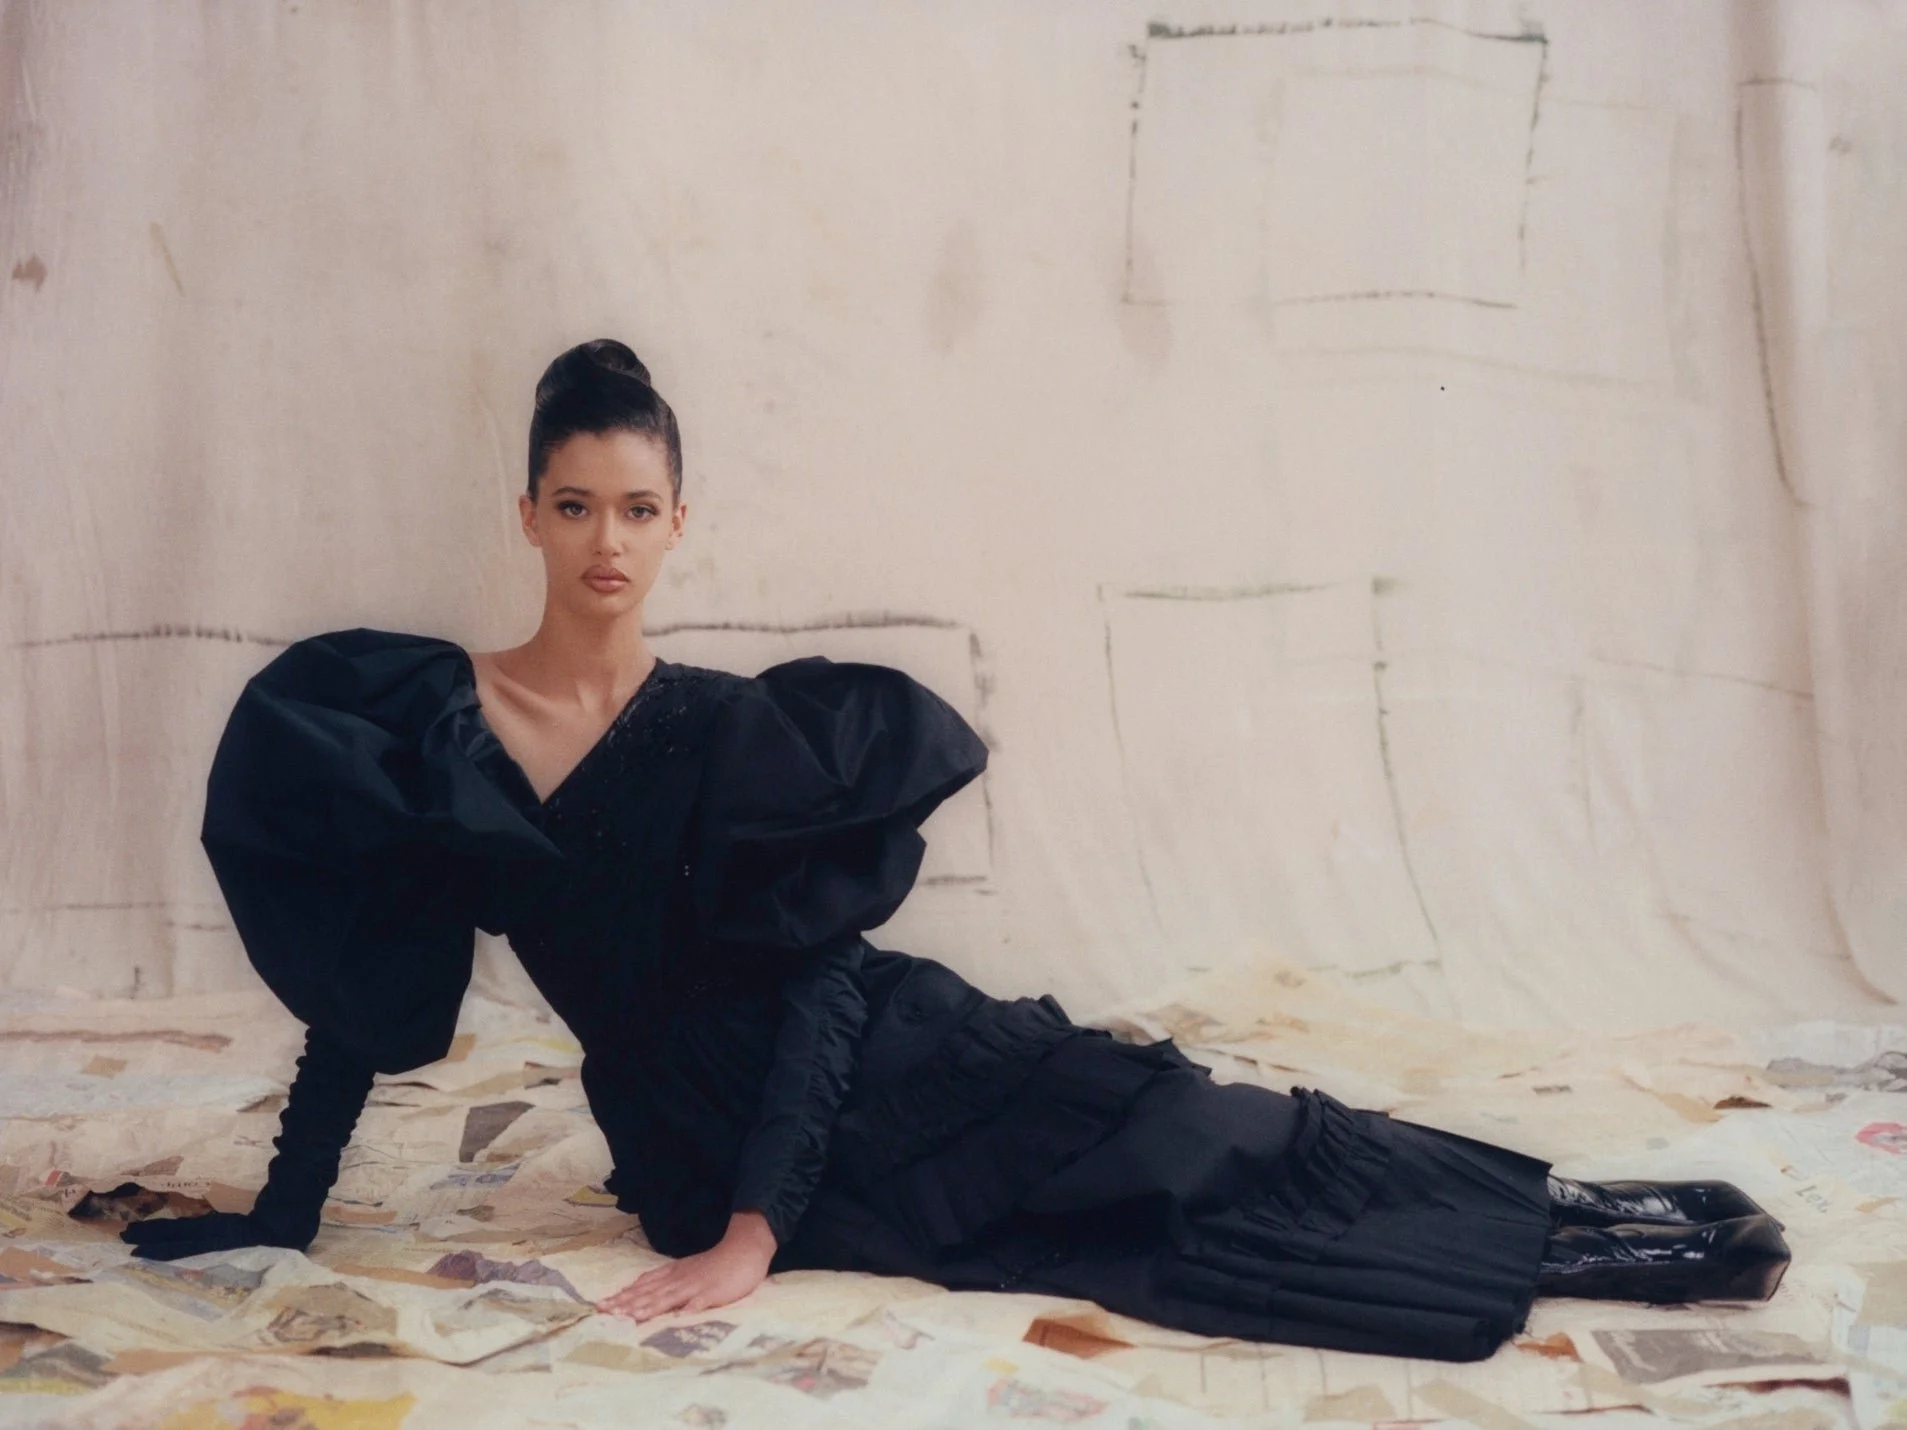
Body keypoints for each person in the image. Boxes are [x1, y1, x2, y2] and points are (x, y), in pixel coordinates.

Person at [121, 340, 1792, 1363]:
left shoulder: (727, 725)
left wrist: (758, 1229)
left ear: (679, 522)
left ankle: (1606, 1218)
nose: (605, 541)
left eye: (635, 508)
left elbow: (819, 987)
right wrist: (283, 1210)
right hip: (692, 1148)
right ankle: (1588, 1237)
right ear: (527, 515)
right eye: (574, 505)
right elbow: (362, 969)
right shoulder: (440, 724)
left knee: (1181, 1128)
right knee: (1132, 1235)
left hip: (863, 1070)